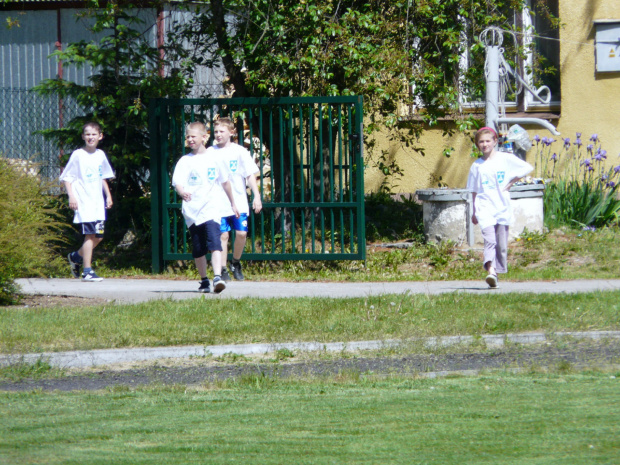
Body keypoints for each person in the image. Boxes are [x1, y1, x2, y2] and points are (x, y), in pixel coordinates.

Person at [172, 121, 239, 294]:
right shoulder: (185, 161)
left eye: (193, 136)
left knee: (215, 241)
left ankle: (217, 277)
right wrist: (182, 192)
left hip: (211, 209)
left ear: (204, 137)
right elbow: (178, 182)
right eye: (188, 137)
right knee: (198, 248)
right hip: (192, 212)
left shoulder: (214, 158)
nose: (190, 140)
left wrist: (233, 203)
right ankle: (204, 281)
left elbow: (225, 182)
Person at [466, 126, 533, 289]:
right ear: (477, 144)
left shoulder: (505, 158)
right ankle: (491, 271)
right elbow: (473, 190)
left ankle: (496, 271)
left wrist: (511, 182)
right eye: (481, 142)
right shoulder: (477, 166)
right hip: (484, 207)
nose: (485, 144)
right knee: (490, 240)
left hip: (502, 207)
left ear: (495, 141)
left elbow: (527, 168)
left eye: (488, 141)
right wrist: (474, 211)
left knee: (500, 243)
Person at [207, 117, 262, 282]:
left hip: (238, 200)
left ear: (231, 132)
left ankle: (235, 262)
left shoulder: (240, 151)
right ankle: (222, 269)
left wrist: (257, 196)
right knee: (223, 235)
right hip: (218, 202)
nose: (218, 134)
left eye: (221, 131)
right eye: (216, 132)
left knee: (241, 233)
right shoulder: (210, 152)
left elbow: (249, 174)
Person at [60, 121, 114, 282]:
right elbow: (67, 178)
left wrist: (108, 195)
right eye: (88, 134)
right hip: (84, 203)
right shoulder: (78, 155)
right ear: (83, 136)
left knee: (99, 236)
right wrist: (71, 196)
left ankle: (76, 257)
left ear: (100, 136)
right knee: (90, 235)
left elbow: (102, 177)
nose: (91, 137)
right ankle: (87, 271)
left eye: (94, 134)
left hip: (98, 203)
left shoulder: (100, 155)